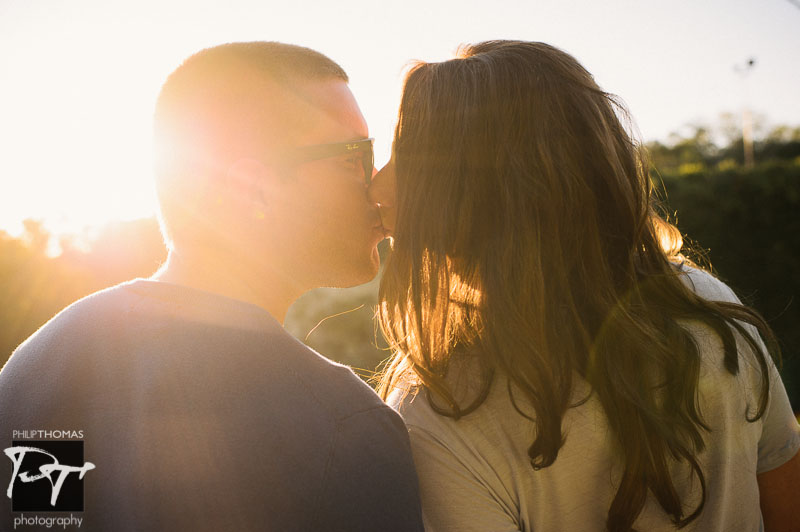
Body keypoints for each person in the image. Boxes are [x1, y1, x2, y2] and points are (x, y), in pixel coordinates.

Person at [368, 40, 800, 532]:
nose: (377, 188)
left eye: (406, 159)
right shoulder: (708, 307)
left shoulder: (443, 406)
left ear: (481, 189)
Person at [0, 42, 423, 531]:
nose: (378, 186)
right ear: (253, 190)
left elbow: (39, 519)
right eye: (355, 157)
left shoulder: (42, 371)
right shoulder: (346, 430)